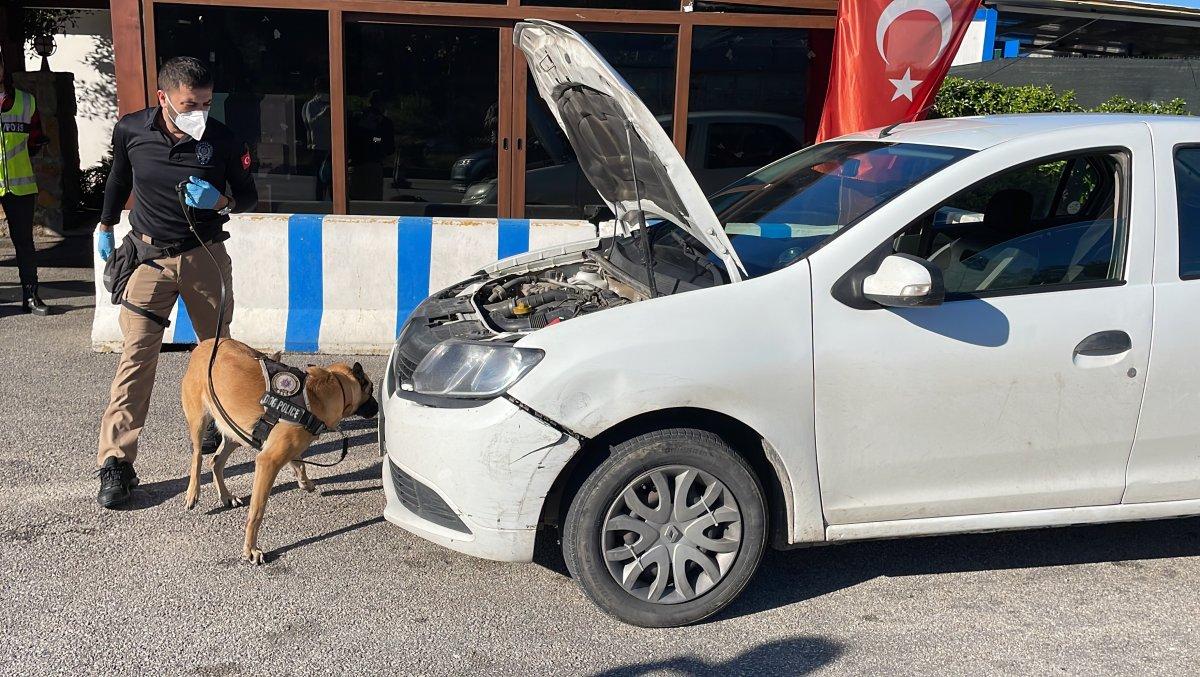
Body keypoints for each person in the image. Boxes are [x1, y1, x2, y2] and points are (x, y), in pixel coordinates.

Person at [94, 56, 257, 508]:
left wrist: (220, 199)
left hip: (204, 256)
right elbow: (117, 178)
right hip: (148, 258)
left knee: (217, 352)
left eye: (206, 102)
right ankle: (116, 463)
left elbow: (249, 196)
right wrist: (105, 226)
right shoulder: (132, 130)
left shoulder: (221, 139)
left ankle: (212, 424)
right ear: (163, 97)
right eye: (190, 103)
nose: (199, 111)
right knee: (135, 358)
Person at [0, 52, 51, 315]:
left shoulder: (25, 102)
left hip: (20, 186)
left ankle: (31, 296)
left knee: (24, 243)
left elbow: (35, 140)